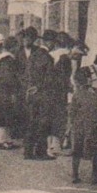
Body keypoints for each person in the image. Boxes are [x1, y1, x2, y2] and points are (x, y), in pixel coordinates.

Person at [69, 61, 97, 184]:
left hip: (89, 125)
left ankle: (92, 175)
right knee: (80, 150)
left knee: (92, 151)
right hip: (84, 125)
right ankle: (78, 174)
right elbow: (73, 111)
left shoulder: (94, 93)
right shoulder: (85, 93)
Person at [22, 30, 56, 159]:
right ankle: (41, 152)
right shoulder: (47, 57)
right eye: (52, 42)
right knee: (43, 123)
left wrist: (30, 88)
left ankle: (28, 152)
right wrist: (40, 87)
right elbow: (49, 79)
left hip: (31, 94)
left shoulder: (33, 55)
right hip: (43, 94)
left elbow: (27, 75)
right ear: (49, 42)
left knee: (31, 122)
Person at [0, 32, 22, 149]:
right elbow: (8, 77)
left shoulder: (5, 58)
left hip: (3, 89)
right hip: (6, 90)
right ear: (13, 47)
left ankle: (6, 139)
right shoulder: (7, 59)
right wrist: (13, 90)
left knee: (7, 114)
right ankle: (1, 140)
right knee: (4, 114)